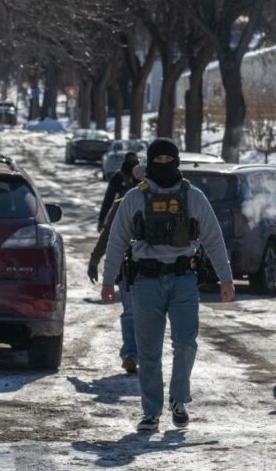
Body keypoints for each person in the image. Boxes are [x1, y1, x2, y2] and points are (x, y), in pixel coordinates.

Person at [101, 138, 235, 432]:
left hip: (184, 280)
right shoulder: (136, 198)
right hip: (146, 282)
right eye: (157, 161)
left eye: (167, 160)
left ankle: (178, 399)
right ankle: (151, 412)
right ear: (149, 163)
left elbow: (213, 238)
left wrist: (226, 278)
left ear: (176, 162)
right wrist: (108, 280)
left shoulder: (193, 197)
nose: (163, 165)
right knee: (148, 351)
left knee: (186, 343)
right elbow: (117, 240)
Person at [88, 163, 140, 374]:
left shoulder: (163, 204)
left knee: (140, 314)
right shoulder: (120, 205)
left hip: (157, 272)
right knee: (131, 313)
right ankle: (131, 353)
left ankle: (139, 353)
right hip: (128, 270)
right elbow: (107, 235)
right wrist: (94, 260)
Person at [99, 152, 140, 231]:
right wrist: (102, 219)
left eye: (134, 161)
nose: (132, 163)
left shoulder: (142, 177)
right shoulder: (118, 177)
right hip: (120, 215)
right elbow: (108, 199)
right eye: (130, 160)